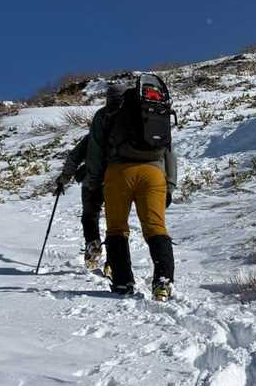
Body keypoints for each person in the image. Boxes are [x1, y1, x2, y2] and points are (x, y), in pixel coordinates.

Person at [86, 78, 178, 299]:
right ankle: (163, 282)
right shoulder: (152, 111)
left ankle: (122, 283)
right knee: (156, 228)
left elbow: (95, 154)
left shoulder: (105, 115)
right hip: (154, 174)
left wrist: (94, 185)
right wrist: (170, 186)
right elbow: (168, 151)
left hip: (119, 174)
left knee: (117, 229)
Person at [54, 130, 103, 271]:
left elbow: (74, 156)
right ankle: (115, 258)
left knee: (90, 216)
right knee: (116, 222)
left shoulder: (94, 135)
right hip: (118, 181)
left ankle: (93, 247)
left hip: (92, 182)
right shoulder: (123, 132)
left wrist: (64, 178)